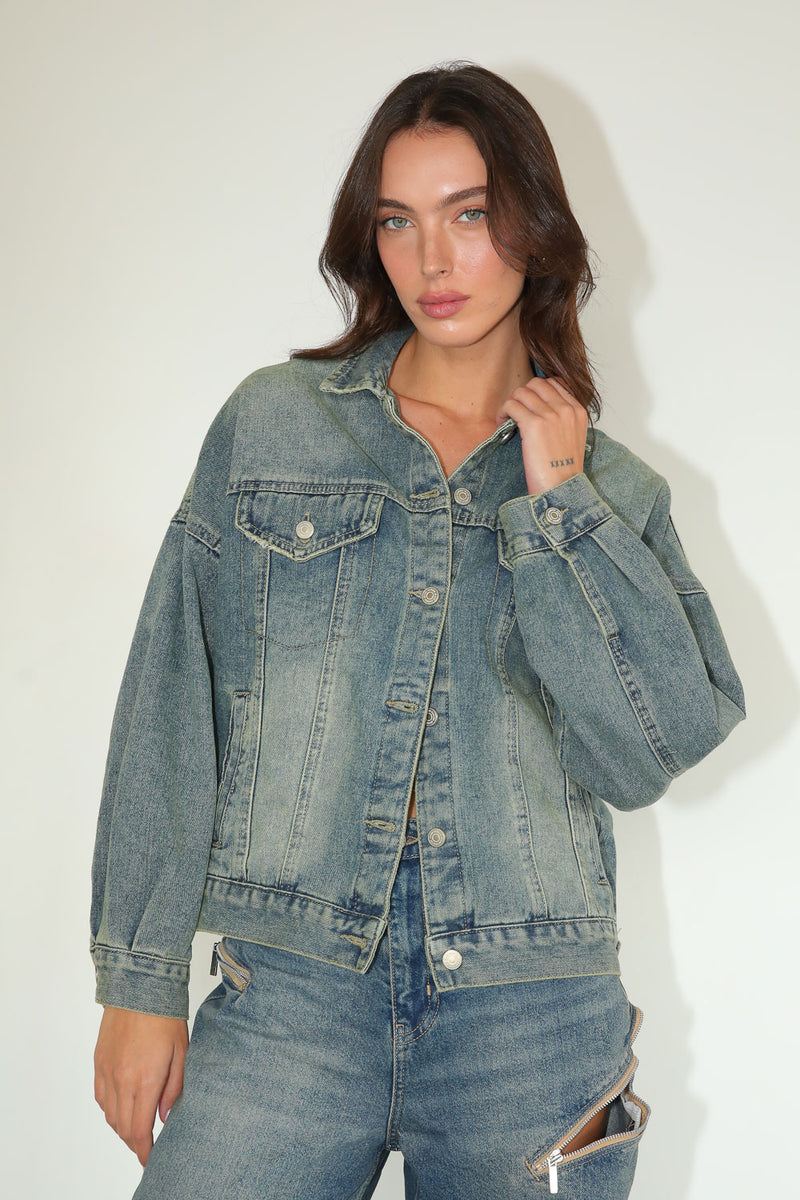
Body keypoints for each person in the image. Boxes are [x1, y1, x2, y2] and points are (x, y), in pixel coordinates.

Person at [91, 62, 745, 1199]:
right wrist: (138, 981)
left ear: (534, 226)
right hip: (292, 995)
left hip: (528, 1016)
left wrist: (560, 507)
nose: (432, 260)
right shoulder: (274, 426)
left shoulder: (610, 493)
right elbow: (171, 694)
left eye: (469, 215)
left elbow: (645, 753)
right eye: (398, 220)